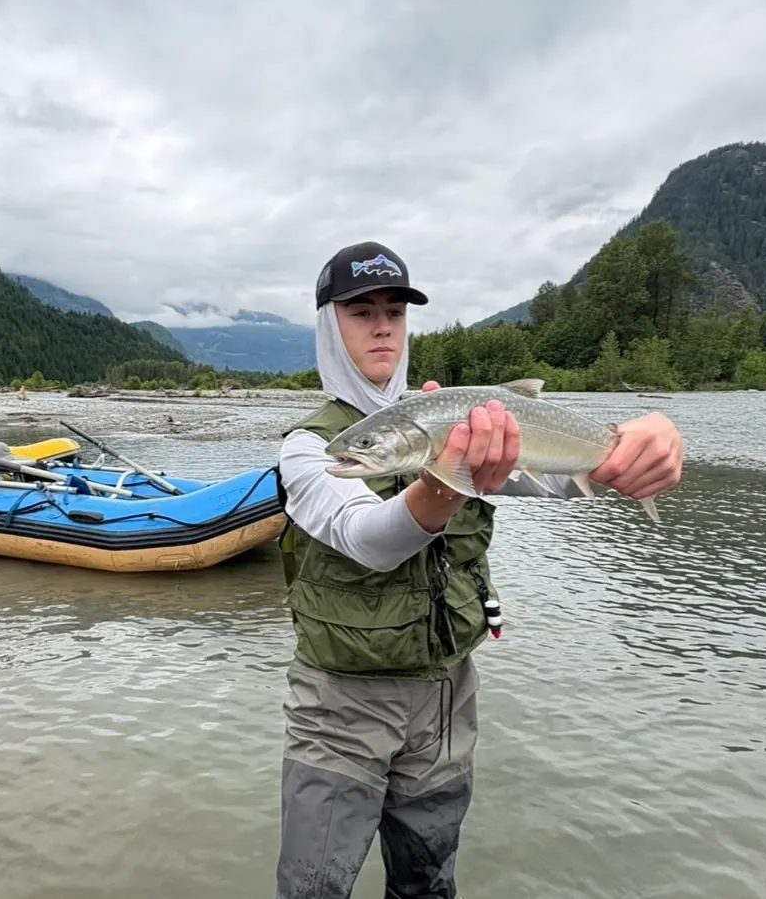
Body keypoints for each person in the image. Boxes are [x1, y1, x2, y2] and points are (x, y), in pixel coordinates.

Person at [274, 240, 683, 899]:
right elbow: (365, 536)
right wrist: (451, 479)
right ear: (328, 323)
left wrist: (641, 443)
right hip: (339, 709)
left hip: (445, 700)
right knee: (314, 889)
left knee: (429, 888)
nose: (382, 325)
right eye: (360, 311)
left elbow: (567, 484)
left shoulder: (458, 416)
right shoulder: (310, 446)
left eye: (394, 312)